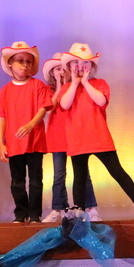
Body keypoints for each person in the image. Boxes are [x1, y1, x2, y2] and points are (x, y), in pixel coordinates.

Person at [58, 43, 134, 220]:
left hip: (99, 137)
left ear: (92, 67)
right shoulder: (66, 88)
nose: (81, 67)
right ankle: (80, 212)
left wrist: (86, 83)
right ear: (69, 66)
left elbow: (101, 101)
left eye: (86, 63)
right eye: (76, 63)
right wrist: (74, 83)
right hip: (77, 140)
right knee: (79, 177)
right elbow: (64, 104)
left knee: (117, 172)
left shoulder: (100, 84)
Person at [0, 41, 51, 223]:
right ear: (10, 63)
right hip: (14, 143)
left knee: (35, 181)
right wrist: (0, 143)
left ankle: (34, 215)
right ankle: (20, 214)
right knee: (17, 181)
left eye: (28, 61)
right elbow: (1, 117)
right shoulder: (6, 91)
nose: (24, 64)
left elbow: (43, 108)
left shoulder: (38, 86)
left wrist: (30, 125)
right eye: (20, 61)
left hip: (35, 141)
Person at [41, 54, 97, 223]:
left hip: (75, 134)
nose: (61, 71)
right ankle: (58, 208)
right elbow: (50, 108)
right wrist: (59, 86)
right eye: (57, 69)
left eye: (62, 68)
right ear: (52, 73)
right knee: (59, 174)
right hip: (57, 136)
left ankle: (90, 207)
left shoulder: (77, 86)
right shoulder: (48, 90)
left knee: (83, 173)